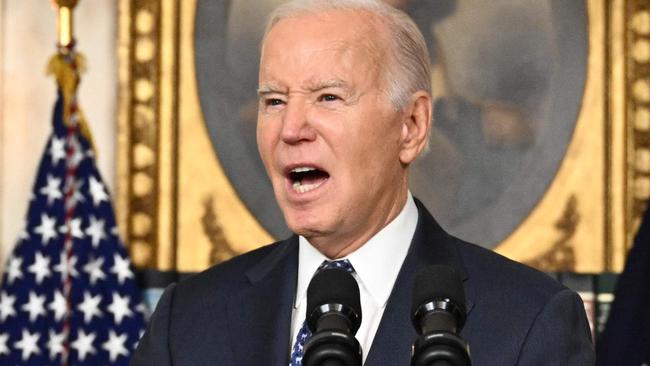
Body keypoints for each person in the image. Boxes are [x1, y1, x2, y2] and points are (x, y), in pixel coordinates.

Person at [131, 1, 595, 365]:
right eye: (273, 101)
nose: (291, 129)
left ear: (411, 126)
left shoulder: (532, 322)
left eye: (328, 97)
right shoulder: (186, 321)